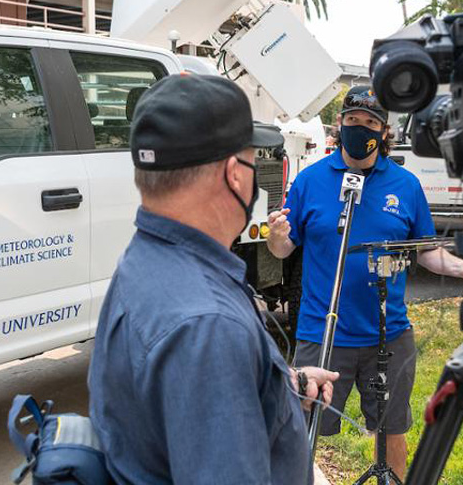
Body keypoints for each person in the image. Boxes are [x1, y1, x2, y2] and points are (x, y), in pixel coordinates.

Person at [88, 74, 339, 485]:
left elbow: (180, 397)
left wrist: (282, 386)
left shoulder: (146, 262)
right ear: (234, 175)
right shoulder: (207, 324)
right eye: (254, 160)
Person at [266, 85, 463, 479]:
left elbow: (425, 250)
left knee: (392, 430)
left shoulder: (405, 186)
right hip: (321, 334)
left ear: (384, 131)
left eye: (370, 122)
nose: (361, 129)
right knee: (300, 432)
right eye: (353, 120)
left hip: (387, 334)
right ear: (340, 125)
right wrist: (276, 237)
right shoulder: (310, 181)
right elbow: (284, 249)